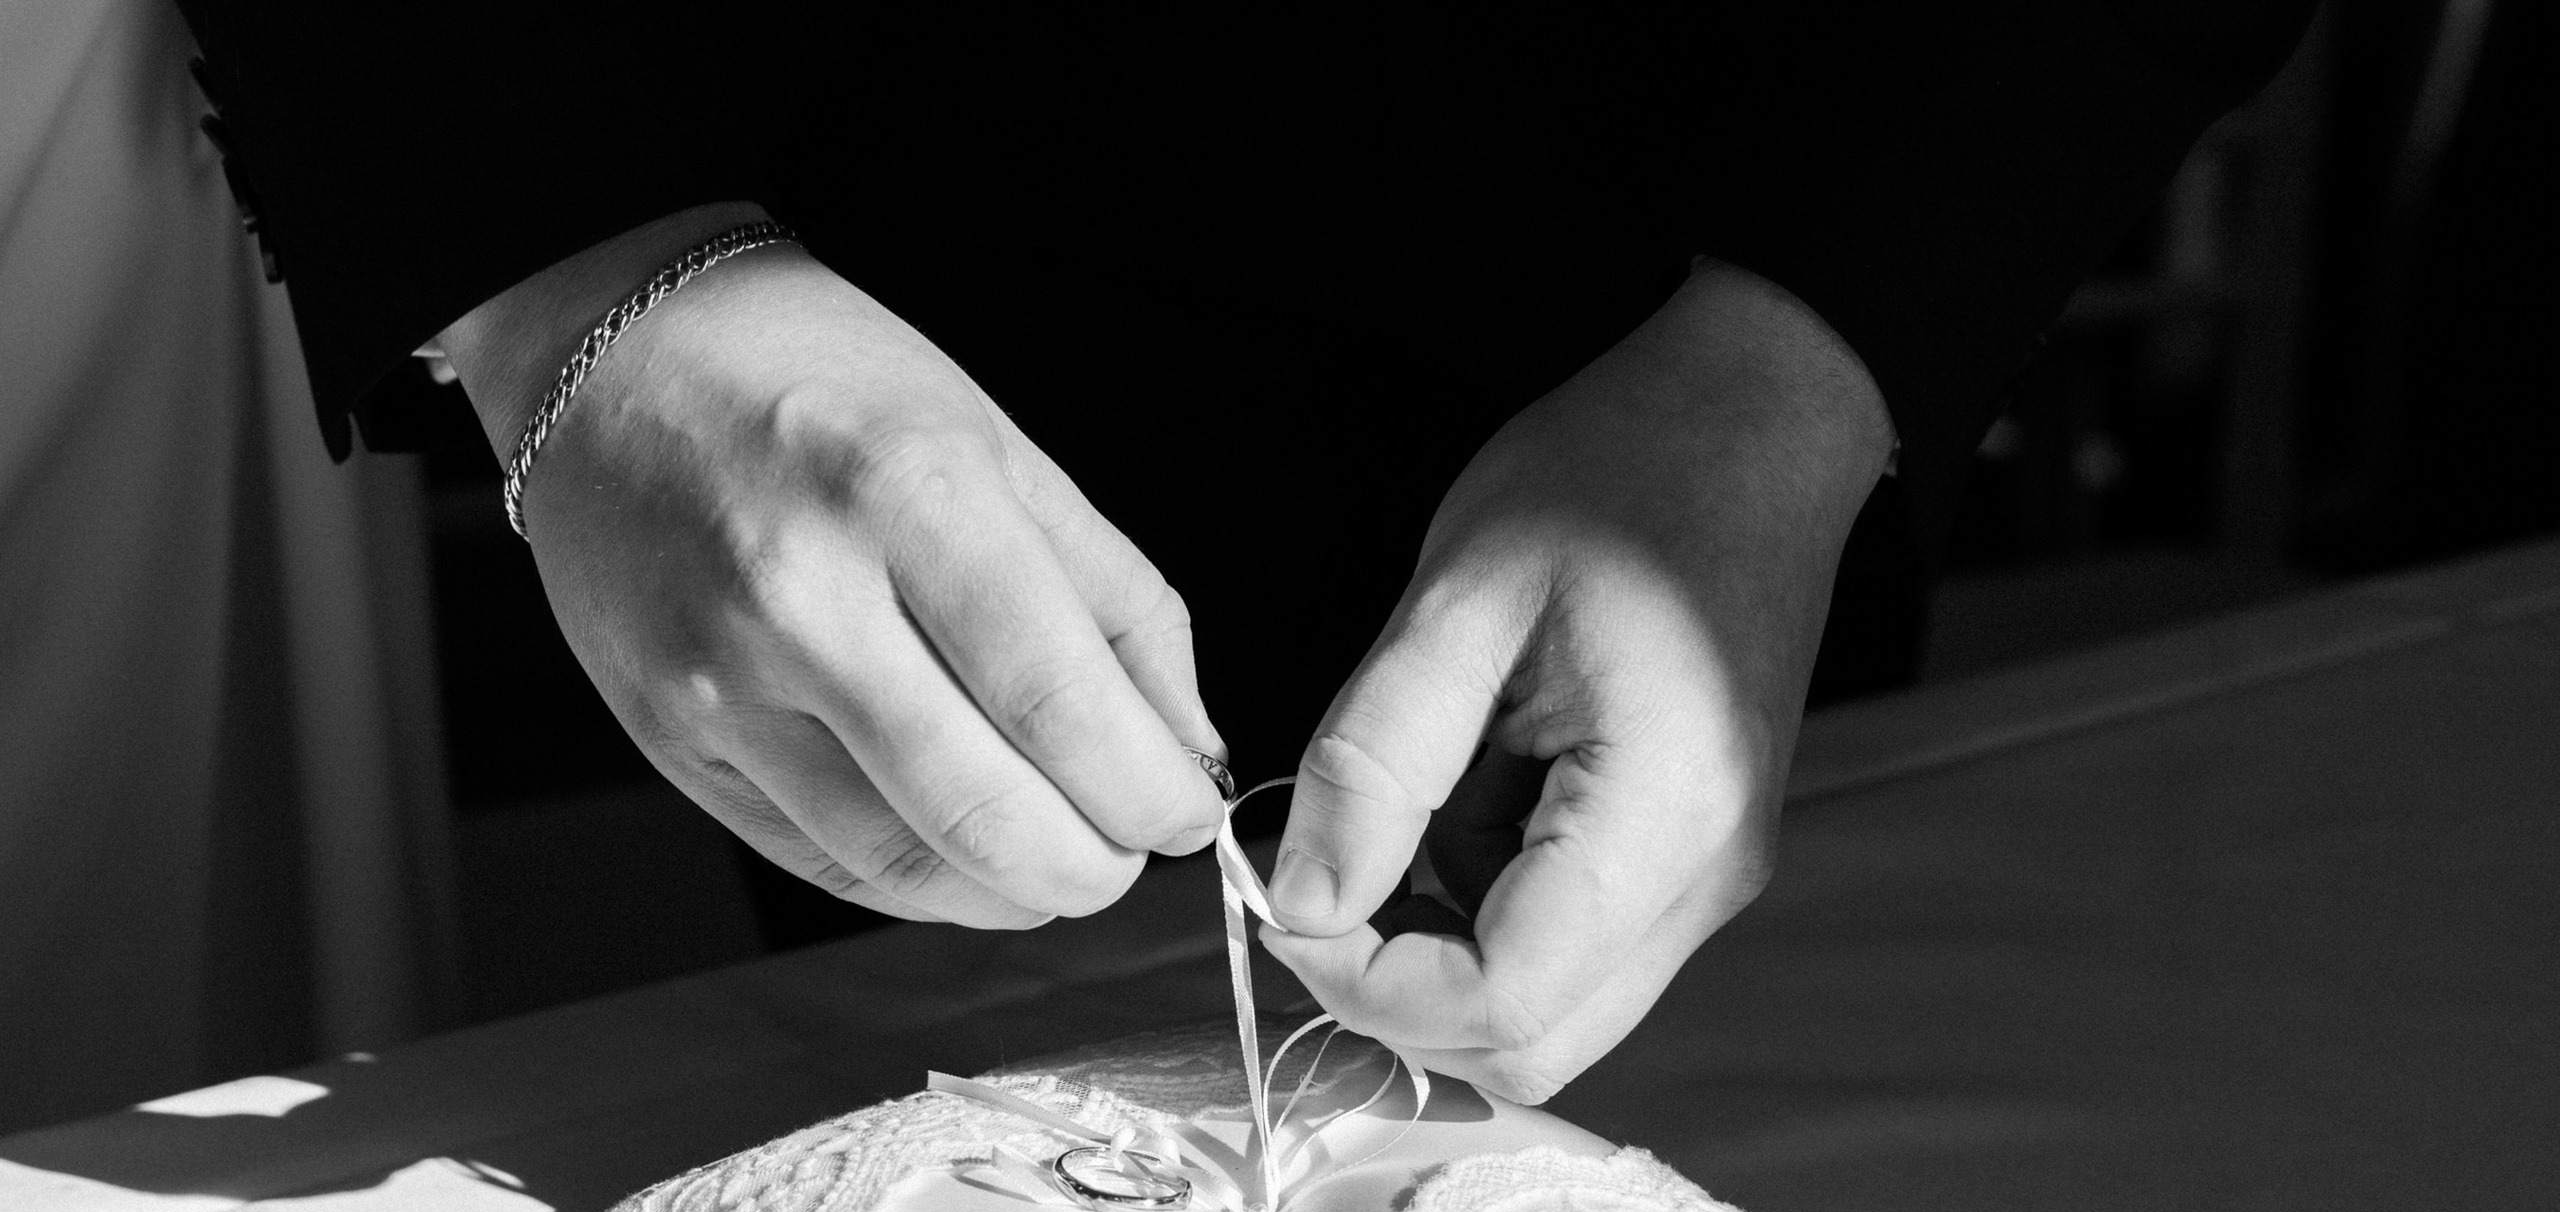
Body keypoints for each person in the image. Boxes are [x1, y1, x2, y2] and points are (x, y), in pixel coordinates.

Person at [177, 3, 2317, 1101]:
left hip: (1689, 228)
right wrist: (578, 265)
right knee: (929, 851)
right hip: (874, 207)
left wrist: (1820, 342)